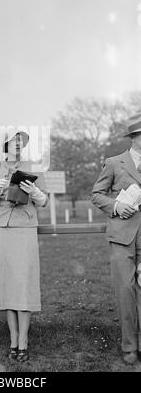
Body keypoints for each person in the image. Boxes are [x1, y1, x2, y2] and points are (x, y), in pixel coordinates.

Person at [0, 130, 47, 362]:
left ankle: (24, 342)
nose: (18, 146)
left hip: (25, 229)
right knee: (7, 286)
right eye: (14, 142)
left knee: (23, 284)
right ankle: (13, 340)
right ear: (5, 145)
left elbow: (44, 201)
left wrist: (35, 191)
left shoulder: (33, 167)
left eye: (21, 143)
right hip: (2, 228)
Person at [91, 112, 141, 365]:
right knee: (125, 292)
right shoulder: (114, 163)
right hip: (122, 236)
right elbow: (97, 195)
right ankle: (130, 346)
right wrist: (116, 207)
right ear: (135, 137)